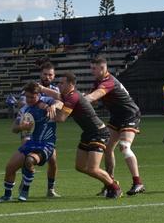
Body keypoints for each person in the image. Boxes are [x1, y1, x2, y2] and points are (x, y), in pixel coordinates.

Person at [40, 72, 122, 198]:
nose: (59, 85)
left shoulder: (73, 97)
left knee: (92, 168)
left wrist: (44, 112)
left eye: (62, 83)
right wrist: (41, 89)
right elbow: (57, 95)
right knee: (80, 167)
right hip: (88, 133)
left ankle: (114, 187)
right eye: (59, 83)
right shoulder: (68, 95)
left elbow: (61, 118)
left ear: (71, 84)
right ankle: (110, 183)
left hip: (99, 133)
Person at [84, 57, 144, 196]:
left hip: (130, 114)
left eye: (94, 68)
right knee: (107, 148)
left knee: (124, 146)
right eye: (91, 67)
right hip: (116, 116)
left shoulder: (108, 81)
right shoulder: (98, 81)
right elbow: (91, 98)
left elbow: (93, 97)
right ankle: (109, 183)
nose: (91, 71)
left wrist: (77, 100)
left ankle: (138, 183)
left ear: (102, 68)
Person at [0, 83, 63, 202]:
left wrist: (54, 106)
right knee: (10, 167)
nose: (29, 100)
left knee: (30, 160)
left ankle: (25, 190)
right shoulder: (24, 109)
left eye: (32, 97)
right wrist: (21, 127)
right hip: (31, 142)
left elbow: (61, 101)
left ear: (39, 95)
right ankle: (7, 196)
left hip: (46, 143)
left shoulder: (47, 101)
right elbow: (13, 128)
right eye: (27, 97)